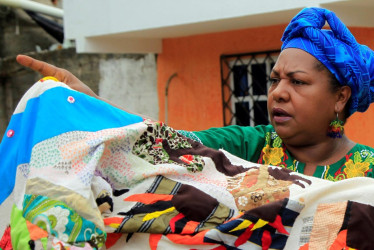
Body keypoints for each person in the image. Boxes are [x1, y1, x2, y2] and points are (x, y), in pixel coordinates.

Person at [16, 7, 374, 181]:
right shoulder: (249, 145)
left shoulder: (368, 172)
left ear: (340, 97)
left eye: (296, 82)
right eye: (275, 80)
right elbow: (164, 142)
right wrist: (92, 105)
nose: (278, 93)